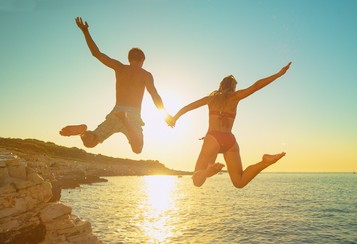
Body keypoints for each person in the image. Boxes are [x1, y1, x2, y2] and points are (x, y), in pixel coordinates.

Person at [166, 62, 291, 188]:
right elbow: (256, 86)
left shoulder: (211, 99)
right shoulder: (235, 97)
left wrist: (175, 118)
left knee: (197, 181)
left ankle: (207, 172)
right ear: (233, 87)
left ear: (221, 85)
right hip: (230, 140)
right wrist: (278, 74)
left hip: (213, 138)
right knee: (239, 182)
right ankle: (264, 162)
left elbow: (188, 107)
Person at [60, 17, 167, 154]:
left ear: (129, 59)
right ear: (142, 60)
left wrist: (85, 31)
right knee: (137, 148)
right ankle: (126, 121)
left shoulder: (120, 68)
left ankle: (84, 131)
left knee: (91, 142)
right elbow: (154, 95)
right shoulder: (145, 74)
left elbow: (96, 54)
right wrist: (165, 114)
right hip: (132, 114)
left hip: (116, 111)